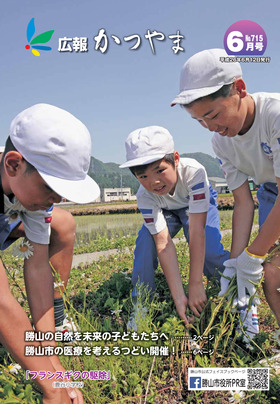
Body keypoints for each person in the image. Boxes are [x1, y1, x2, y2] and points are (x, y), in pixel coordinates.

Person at [171, 48, 280, 342]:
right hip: (272, 189)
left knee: (273, 272)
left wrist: (254, 255)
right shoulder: (221, 143)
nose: (211, 127)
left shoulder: (275, 115)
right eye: (199, 122)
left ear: (239, 89)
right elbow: (244, 203)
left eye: (213, 114)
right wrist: (236, 266)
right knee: (271, 276)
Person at [0, 103, 100, 403]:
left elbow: (38, 267)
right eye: (50, 188)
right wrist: (52, 385)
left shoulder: (33, 197)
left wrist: (51, 359)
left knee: (63, 224)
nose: (55, 199)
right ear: (14, 165)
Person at [120, 126, 229, 327]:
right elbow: (163, 244)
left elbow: (197, 232)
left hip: (193, 205)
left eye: (160, 170)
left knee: (210, 251)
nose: (154, 182)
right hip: (165, 209)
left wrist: (195, 284)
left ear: (175, 159)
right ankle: (142, 303)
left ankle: (231, 285)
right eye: (143, 176)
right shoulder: (145, 196)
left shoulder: (194, 173)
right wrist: (180, 298)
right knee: (145, 244)